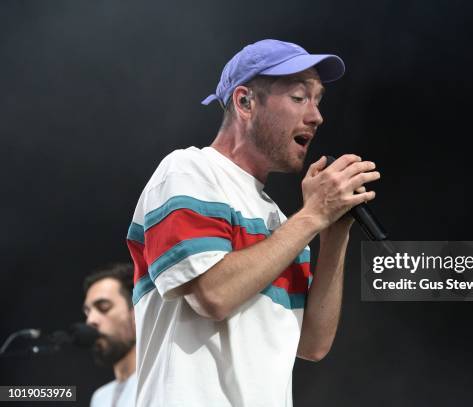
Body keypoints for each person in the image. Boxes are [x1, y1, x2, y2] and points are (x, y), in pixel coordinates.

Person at [126, 39, 380, 407]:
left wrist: (332, 233)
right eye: (299, 98)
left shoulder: (279, 222)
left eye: (318, 100)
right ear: (245, 102)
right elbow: (212, 296)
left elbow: (313, 345)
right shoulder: (188, 170)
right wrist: (312, 215)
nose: (316, 116)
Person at [83, 263, 137, 407]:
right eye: (87, 312)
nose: (90, 321)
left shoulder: (163, 385)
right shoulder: (100, 398)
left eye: (103, 307)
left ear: (136, 313)